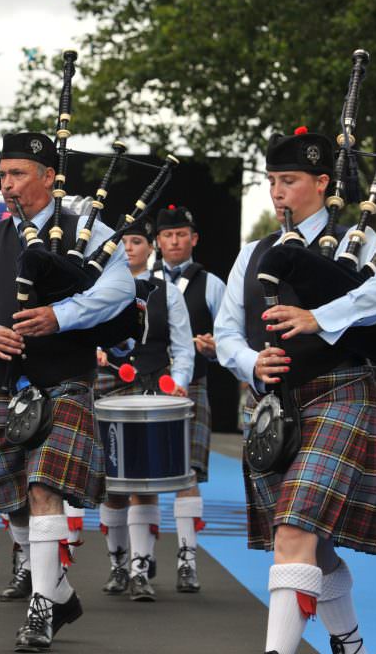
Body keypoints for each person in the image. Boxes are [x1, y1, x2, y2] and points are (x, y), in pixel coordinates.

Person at [215, 127, 376, 654]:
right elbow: (228, 331)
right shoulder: (252, 254)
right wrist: (253, 362)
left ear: (322, 182)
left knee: (294, 534)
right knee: (313, 551)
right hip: (273, 409)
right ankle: (349, 642)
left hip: (339, 395)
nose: (278, 191)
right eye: (273, 181)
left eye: (290, 180)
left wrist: (318, 317)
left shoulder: (357, 242)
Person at [0, 132, 134, 651]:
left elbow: (118, 290)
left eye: (18, 174)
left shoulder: (90, 230)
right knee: (12, 500)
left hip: (65, 380)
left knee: (44, 489)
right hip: (8, 383)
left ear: (49, 178)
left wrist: (61, 316)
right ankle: (63, 593)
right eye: (2, 175)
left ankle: (41, 607)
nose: (6, 185)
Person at [93, 219, 193, 602]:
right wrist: (92, 350)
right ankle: (118, 566)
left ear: (150, 247)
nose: (130, 248)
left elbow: (182, 347)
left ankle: (139, 570)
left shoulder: (167, 293)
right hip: (106, 387)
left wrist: (179, 380)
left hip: (150, 387)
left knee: (145, 484)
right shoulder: (97, 286)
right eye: (125, 242)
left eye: (137, 241)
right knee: (112, 486)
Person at [153, 204, 227, 593]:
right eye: (168, 235)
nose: (175, 241)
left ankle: (187, 558)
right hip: (146, 388)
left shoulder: (211, 284)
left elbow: (233, 337)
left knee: (188, 475)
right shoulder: (141, 281)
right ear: (158, 241)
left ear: (193, 238)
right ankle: (140, 559)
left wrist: (216, 347)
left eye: (182, 234)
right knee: (138, 475)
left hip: (191, 386)